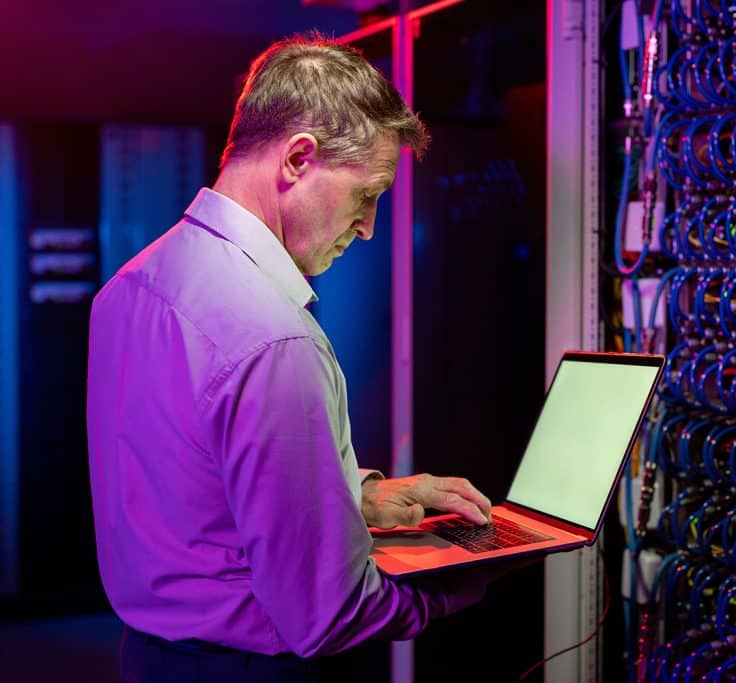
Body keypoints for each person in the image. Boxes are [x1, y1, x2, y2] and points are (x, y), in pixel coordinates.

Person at [87, 32, 506, 683]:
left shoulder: (128, 287)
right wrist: (465, 580)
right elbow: (327, 616)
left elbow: (195, 487)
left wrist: (357, 494)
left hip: (147, 659)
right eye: (366, 195)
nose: (368, 227)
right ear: (298, 159)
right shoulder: (277, 341)